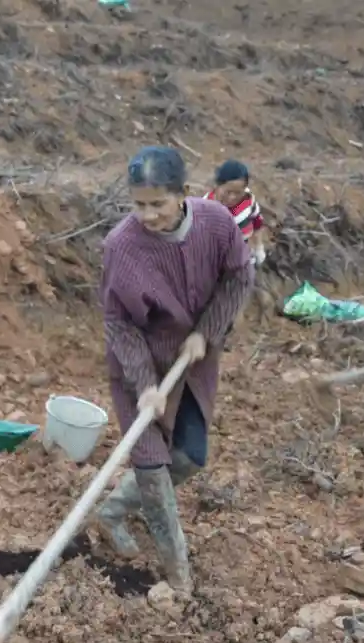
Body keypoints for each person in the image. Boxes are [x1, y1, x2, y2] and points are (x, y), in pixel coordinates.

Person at [95, 146, 254, 592]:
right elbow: (118, 323)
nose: (147, 215)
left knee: (190, 456)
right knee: (151, 464)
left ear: (182, 194)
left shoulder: (217, 223)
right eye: (138, 204)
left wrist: (208, 330)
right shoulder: (121, 248)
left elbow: (239, 277)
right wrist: (145, 385)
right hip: (138, 365)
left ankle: (111, 510)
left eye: (157, 204)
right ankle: (178, 577)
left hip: (193, 359)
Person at [205, 159, 268, 266]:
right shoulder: (205, 208)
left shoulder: (248, 201)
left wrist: (259, 247)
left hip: (243, 253)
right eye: (228, 192)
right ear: (217, 186)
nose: (232, 197)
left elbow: (257, 222)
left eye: (238, 193)